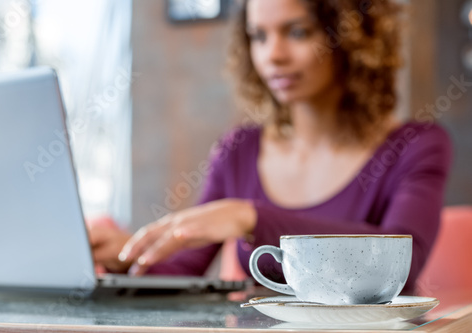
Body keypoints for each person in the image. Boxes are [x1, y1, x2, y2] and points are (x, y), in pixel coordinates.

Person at [89, 0, 452, 293]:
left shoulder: (415, 146)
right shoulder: (238, 151)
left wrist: (252, 218)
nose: (272, 55)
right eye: (258, 36)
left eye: (297, 32)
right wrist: (129, 254)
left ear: (351, 37)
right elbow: (186, 269)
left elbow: (403, 265)